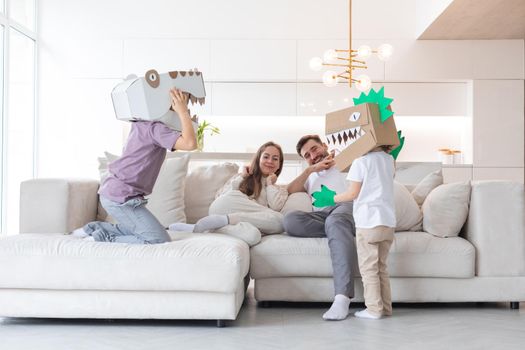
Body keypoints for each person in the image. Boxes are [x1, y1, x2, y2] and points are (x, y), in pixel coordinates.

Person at [71, 88, 197, 244]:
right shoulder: (155, 129)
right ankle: (102, 236)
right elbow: (190, 143)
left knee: (147, 230)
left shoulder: (142, 124)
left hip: (116, 193)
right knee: (158, 239)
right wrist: (183, 112)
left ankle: (95, 227)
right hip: (120, 198)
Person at [314, 145, 395, 320]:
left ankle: (373, 309)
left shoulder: (360, 162)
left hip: (368, 222)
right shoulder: (389, 160)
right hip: (388, 222)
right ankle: (386, 307)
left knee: (369, 269)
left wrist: (331, 198)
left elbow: (352, 193)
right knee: (382, 267)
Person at [284, 134, 357, 321]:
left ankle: (342, 297)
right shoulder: (310, 175)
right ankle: (338, 232)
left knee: (336, 221)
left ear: (324, 145)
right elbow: (289, 190)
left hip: (346, 207)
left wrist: (339, 158)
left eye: (314, 149)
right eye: (307, 155)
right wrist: (310, 170)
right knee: (291, 220)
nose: (312, 155)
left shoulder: (345, 161)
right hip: (324, 216)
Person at [169, 141, 288, 234]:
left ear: (279, 165)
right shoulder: (243, 176)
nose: (270, 161)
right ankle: (221, 221)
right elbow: (222, 197)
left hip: (242, 224)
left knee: (266, 228)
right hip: (223, 208)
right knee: (234, 195)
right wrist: (242, 176)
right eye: (266, 157)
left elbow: (276, 207)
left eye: (275, 159)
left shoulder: (279, 190)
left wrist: (270, 183)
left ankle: (205, 227)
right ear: (259, 159)